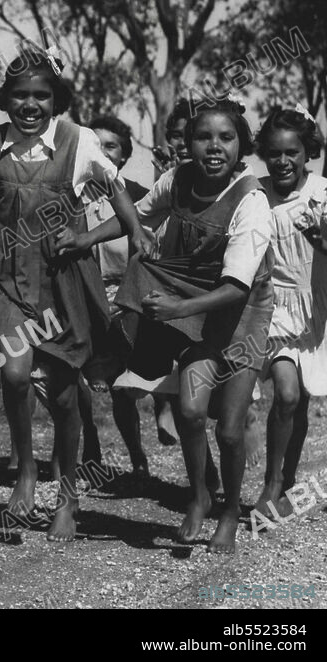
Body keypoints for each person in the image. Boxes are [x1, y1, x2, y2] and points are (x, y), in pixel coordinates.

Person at [63, 98, 273, 554]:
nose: (214, 147)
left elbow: (237, 288)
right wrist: (85, 238)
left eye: (226, 138)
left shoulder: (251, 200)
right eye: (203, 137)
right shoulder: (176, 179)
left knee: (230, 429)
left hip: (241, 314)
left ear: (241, 146)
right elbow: (136, 216)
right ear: (188, 143)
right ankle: (198, 494)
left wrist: (176, 311)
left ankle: (231, 509)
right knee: (192, 411)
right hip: (192, 299)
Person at [0, 48, 149, 543]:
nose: (30, 105)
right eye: (20, 95)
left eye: (41, 96)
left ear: (56, 99)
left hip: (62, 278)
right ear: (5, 99)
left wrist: (132, 233)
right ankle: (27, 475)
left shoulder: (79, 140)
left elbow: (115, 190)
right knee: (13, 373)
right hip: (8, 277)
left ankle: (67, 494)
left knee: (66, 396)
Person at [85, 115, 177, 477]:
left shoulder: (139, 196)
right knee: (114, 390)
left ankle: (164, 408)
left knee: (141, 374)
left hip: (134, 296)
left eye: (111, 146)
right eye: (95, 146)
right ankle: (135, 459)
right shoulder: (68, 201)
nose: (102, 153)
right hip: (90, 299)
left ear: (123, 157)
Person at [251, 107, 327, 522]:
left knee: (300, 403)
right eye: (274, 153)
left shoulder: (322, 193)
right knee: (286, 394)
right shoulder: (255, 193)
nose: (283, 161)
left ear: (306, 153)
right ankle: (270, 485)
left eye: (292, 153)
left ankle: (290, 476)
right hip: (275, 308)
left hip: (317, 308)